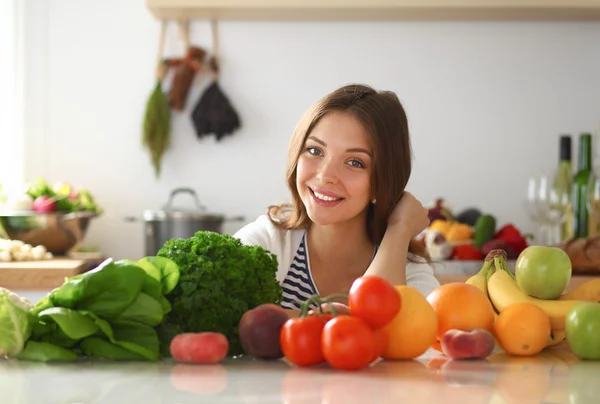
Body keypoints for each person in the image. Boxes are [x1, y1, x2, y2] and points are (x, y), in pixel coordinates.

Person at [234, 83, 440, 314]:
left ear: (383, 181)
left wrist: (399, 229)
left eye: (355, 162)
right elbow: (228, 321)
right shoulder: (266, 241)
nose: (325, 176)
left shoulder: (408, 271)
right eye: (315, 151)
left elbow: (401, 337)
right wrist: (337, 320)